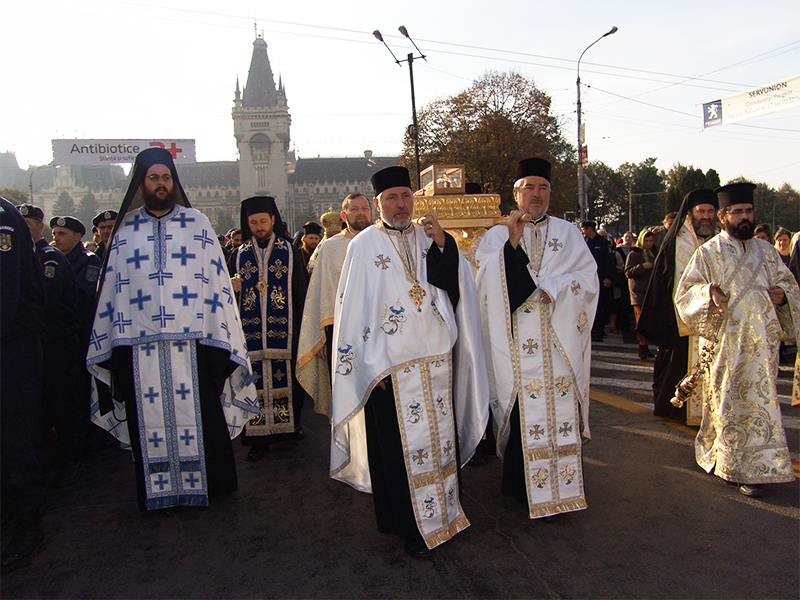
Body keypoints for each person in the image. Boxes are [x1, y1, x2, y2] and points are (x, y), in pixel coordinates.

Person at [86, 147, 258, 512]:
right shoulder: (125, 229)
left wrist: (219, 339)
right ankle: (158, 489)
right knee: (147, 420)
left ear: (173, 182)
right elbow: (113, 289)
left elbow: (216, 285)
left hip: (193, 346)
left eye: (166, 177)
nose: (161, 184)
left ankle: (212, 484)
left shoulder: (196, 223)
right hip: (138, 347)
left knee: (202, 416)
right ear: (142, 182)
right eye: (154, 178)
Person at [330, 166, 488, 557]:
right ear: (378, 203)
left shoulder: (428, 235)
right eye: (391, 199)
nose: (401, 205)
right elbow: (354, 311)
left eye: (405, 196)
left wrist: (443, 246)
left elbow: (453, 290)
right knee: (400, 456)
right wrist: (368, 368)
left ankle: (448, 515)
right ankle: (412, 528)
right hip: (390, 372)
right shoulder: (363, 245)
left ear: (413, 197)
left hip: (436, 364)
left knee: (440, 446)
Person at [476, 157, 598, 519]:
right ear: (516, 193)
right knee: (520, 409)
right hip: (516, 344)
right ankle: (522, 486)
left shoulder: (569, 233)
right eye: (529, 187)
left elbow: (588, 280)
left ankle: (565, 488)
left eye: (543, 187)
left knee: (562, 413)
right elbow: (484, 285)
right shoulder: (497, 234)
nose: (536, 194)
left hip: (560, 343)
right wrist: (512, 245)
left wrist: (555, 288)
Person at [675, 182, 799, 497]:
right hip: (726, 348)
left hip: (764, 349)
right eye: (737, 212)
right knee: (729, 405)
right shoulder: (708, 253)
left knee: (763, 407)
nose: (744, 217)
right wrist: (708, 295)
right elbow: (684, 295)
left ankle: (763, 465)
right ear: (722, 216)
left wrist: (783, 295)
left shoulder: (768, 252)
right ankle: (734, 465)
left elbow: (790, 284)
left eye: (748, 211)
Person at [230, 196, 309, 462]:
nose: (259, 226)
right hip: (249, 335)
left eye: (263, 221)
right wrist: (231, 287)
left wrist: (302, 330)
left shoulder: (290, 250)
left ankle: (289, 428)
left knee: (288, 379)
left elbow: (301, 291)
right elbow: (224, 293)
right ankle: (257, 439)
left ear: (273, 220)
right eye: (253, 223)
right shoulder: (237, 255)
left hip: (286, 331)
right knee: (253, 383)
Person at [638, 189, 718, 424]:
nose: (706, 216)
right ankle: (674, 410)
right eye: (701, 211)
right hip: (678, 320)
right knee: (675, 365)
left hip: (713, 320)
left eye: (710, 211)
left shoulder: (721, 242)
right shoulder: (677, 242)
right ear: (690, 213)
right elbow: (662, 283)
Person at [19, 204, 85, 487]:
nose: (23, 227)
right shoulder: (24, 257)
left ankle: (72, 459)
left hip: (56, 344)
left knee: (62, 404)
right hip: (34, 345)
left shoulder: (49, 259)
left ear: (38, 227)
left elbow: (42, 301)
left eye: (28, 223)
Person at [0, 196, 47, 573]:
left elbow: (6, 293)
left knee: (12, 439)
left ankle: (26, 524)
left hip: (10, 346)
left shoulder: (2, 217)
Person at [296, 192, 372, 419]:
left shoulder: (382, 242)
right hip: (341, 331)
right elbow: (321, 294)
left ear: (372, 211)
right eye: (354, 209)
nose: (360, 213)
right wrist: (322, 337)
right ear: (344, 215)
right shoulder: (330, 248)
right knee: (347, 399)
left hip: (379, 331)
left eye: (365, 208)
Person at [581, 220, 615, 342]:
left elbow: (610, 261)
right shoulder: (584, 242)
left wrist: (609, 276)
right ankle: (591, 330)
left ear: (590, 228)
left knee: (601, 305)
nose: (582, 231)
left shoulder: (603, 243)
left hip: (600, 278)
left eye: (584, 229)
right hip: (586, 279)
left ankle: (599, 330)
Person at [624, 229, 656, 360]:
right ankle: (641, 346)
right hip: (638, 292)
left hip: (651, 290)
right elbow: (628, 272)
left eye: (651, 241)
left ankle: (646, 345)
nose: (648, 243)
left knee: (649, 320)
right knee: (640, 319)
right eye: (646, 241)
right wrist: (642, 266)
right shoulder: (634, 253)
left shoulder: (654, 252)